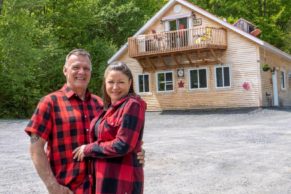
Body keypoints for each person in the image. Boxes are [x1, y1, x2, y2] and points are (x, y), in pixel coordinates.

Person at [25, 49, 144, 194]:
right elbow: (35, 148)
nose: (81, 72)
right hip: (68, 189)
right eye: (76, 67)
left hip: (100, 187)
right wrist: (52, 185)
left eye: (86, 68)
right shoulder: (49, 103)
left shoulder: (100, 105)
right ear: (65, 70)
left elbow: (119, 141)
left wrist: (135, 152)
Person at [73, 61, 146, 194]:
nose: (115, 87)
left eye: (121, 82)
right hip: (103, 178)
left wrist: (88, 149)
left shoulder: (132, 105)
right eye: (111, 82)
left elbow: (123, 145)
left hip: (122, 180)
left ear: (130, 83)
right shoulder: (106, 109)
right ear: (105, 83)